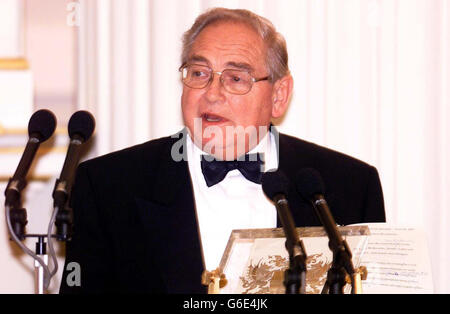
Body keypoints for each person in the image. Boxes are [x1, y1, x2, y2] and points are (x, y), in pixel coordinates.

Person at [60, 7, 385, 294]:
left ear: (279, 95)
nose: (212, 94)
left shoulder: (350, 188)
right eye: (199, 74)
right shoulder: (107, 187)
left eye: (235, 78)